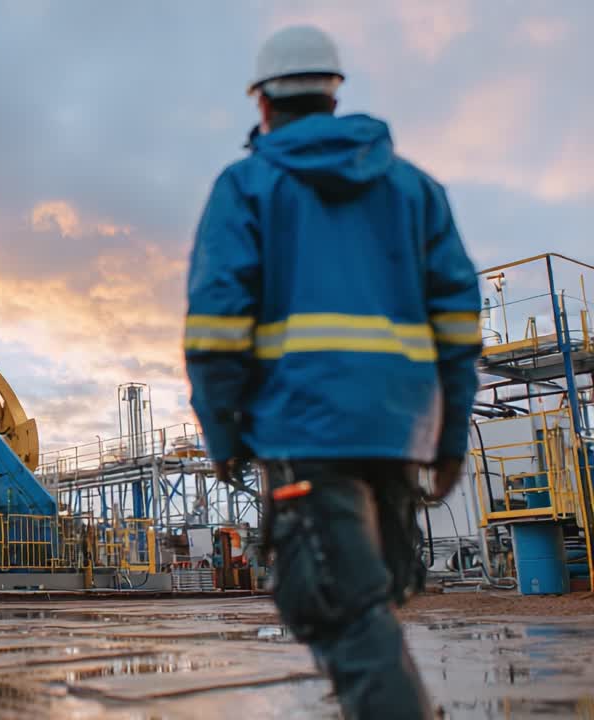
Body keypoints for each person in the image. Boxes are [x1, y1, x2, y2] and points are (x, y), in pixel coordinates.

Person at [183, 24, 481, 720]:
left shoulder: (247, 186)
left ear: (262, 102)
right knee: (369, 593)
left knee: (334, 603)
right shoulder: (416, 190)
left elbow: (217, 324)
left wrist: (223, 432)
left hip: (304, 424)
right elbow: (459, 327)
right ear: (333, 91)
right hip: (400, 425)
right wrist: (452, 435)